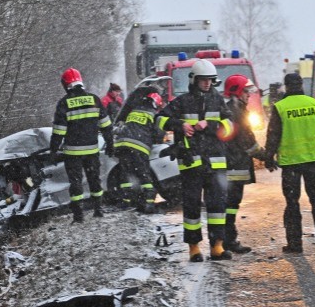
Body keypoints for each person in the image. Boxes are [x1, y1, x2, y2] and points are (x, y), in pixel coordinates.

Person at [155, 59, 234, 262]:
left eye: (210, 80)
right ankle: (194, 248)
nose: (207, 84)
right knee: (191, 207)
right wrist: (180, 125)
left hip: (215, 163)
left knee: (217, 206)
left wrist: (208, 124)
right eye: (203, 80)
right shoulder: (182, 102)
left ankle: (217, 246)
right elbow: (160, 119)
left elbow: (231, 126)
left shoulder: (218, 100)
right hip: (191, 163)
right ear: (194, 80)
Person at [264, 72, 315, 254]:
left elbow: (273, 134)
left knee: (292, 203)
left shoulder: (281, 107)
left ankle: (295, 243)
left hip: (291, 162)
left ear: (286, 87)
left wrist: (269, 156)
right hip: (312, 160)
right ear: (301, 85)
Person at [51, 67, 114, 223]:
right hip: (92, 150)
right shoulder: (94, 99)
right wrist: (110, 143)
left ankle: (78, 216)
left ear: (66, 84)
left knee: (76, 183)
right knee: (94, 180)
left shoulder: (64, 103)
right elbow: (106, 125)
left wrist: (53, 151)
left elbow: (59, 131)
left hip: (73, 153)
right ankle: (98, 210)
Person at [222, 74, 266, 254]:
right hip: (234, 165)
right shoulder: (237, 112)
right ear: (237, 92)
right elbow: (248, 141)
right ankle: (228, 240)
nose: (249, 95)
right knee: (231, 204)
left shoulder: (233, 109)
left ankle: (225, 239)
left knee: (230, 205)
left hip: (231, 164)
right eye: (246, 91)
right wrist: (266, 156)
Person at [112, 86, 165, 214]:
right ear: (156, 104)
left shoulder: (134, 110)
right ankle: (149, 203)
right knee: (144, 175)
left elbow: (121, 123)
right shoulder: (154, 115)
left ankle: (125, 201)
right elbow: (158, 135)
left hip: (122, 144)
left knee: (125, 173)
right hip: (139, 146)